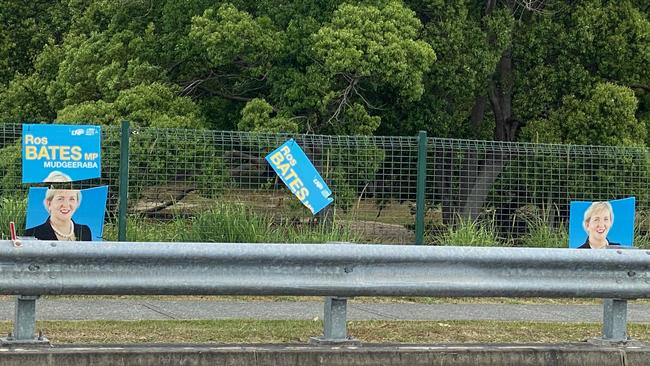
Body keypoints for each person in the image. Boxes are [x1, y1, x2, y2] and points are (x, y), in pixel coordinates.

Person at [25, 188, 92, 241]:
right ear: (49, 203)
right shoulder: (32, 234)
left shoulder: (85, 231)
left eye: (72, 199)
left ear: (77, 203)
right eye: (60, 199)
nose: (66, 205)